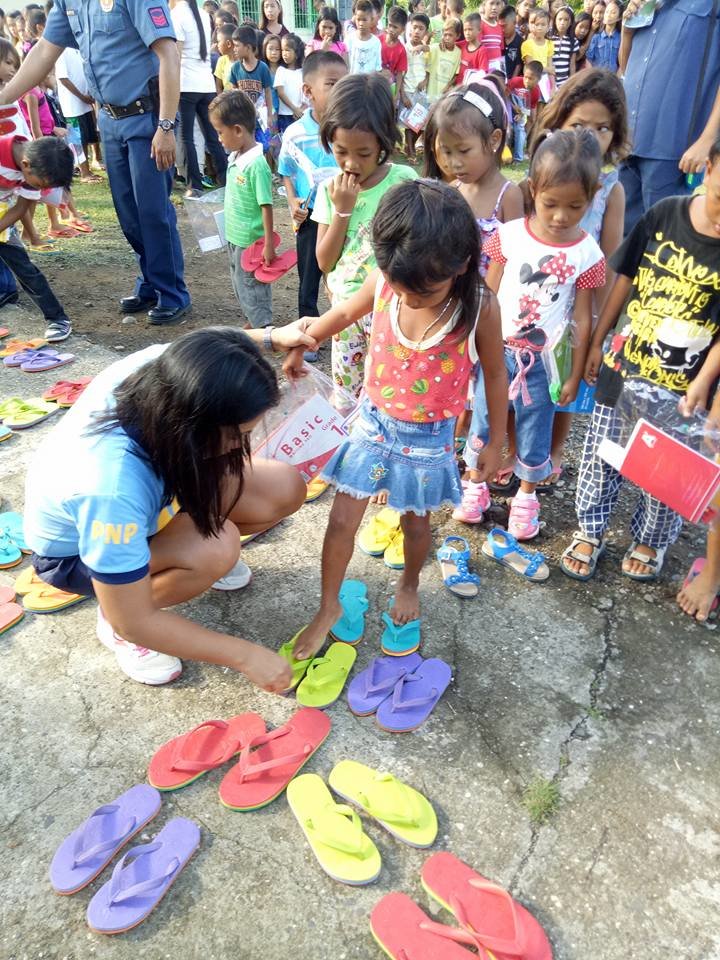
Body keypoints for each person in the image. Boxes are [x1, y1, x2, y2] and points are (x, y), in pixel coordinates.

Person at [280, 179, 507, 660]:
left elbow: (495, 375)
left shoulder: (480, 307)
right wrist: (308, 338)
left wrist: (493, 441)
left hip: (429, 439)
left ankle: (409, 584)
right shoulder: (386, 281)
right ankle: (327, 608)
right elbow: (343, 311)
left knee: (416, 525)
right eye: (400, 289)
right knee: (341, 519)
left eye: (422, 292)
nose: (408, 299)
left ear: (461, 264)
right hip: (374, 422)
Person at [23, 326, 319, 689]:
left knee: (283, 487)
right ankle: (114, 613)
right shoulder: (111, 487)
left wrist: (272, 338)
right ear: (192, 425)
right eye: (236, 436)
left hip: (145, 499)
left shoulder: (167, 373)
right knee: (215, 548)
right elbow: (134, 617)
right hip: (77, 555)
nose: (238, 446)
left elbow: (209, 338)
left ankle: (174, 558)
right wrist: (245, 655)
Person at [561, 137, 720, 583]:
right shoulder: (664, 214)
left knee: (665, 470)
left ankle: (650, 539)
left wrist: (704, 380)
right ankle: (590, 530)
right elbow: (624, 278)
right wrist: (597, 341)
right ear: (707, 170)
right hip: (625, 362)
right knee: (601, 452)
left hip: (682, 383)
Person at [0, 0, 192, 326]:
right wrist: (3, 98)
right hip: (110, 120)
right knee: (128, 214)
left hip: (147, 117)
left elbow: (169, 55)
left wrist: (166, 126)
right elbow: (46, 49)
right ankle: (150, 281)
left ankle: (172, 292)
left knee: (152, 212)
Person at [458, 131, 606, 538]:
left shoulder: (586, 253)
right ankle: (475, 484)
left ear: (592, 197)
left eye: (575, 206)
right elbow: (485, 292)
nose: (560, 216)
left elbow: (582, 314)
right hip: (496, 350)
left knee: (534, 424)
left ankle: (525, 496)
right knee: (485, 418)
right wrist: (470, 341)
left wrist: (574, 373)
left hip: (543, 360)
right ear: (534, 190)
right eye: (551, 204)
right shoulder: (508, 236)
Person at [522, 67, 627, 490]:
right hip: (537, 299)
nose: (592, 137)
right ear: (557, 125)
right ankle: (520, 448)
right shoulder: (544, 178)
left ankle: (555, 451)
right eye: (579, 125)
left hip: (579, 301)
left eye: (603, 128)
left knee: (565, 382)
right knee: (525, 379)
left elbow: (611, 252)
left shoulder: (612, 187)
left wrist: (599, 326)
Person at [312, 72, 416, 399]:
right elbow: (325, 261)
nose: (351, 163)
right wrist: (343, 209)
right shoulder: (330, 189)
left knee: (389, 390)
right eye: (341, 151)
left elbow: (417, 247)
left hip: (391, 307)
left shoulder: (403, 181)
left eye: (364, 153)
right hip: (345, 312)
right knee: (345, 395)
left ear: (383, 143)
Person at [619, 0, 720, 234]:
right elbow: (627, 69)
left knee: (663, 242)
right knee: (625, 241)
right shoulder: (647, 3)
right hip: (630, 141)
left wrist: (707, 139)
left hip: (673, 148)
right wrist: (626, 32)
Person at [426, 81, 523, 276]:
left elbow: (516, 260)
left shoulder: (508, 196)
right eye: (447, 151)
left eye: (463, 150)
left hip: (492, 300)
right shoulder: (454, 190)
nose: (454, 163)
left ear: (494, 139)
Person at [278, 50, 347, 320]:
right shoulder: (295, 134)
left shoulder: (350, 129)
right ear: (308, 90)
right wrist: (292, 201)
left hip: (343, 213)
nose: (340, 90)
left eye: (345, 83)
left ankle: (344, 323)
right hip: (310, 219)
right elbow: (286, 171)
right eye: (331, 84)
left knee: (342, 271)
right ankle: (308, 330)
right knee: (308, 277)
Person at [210, 90, 275, 329]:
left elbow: (266, 206)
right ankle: (253, 319)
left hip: (251, 241)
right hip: (235, 237)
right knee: (239, 281)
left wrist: (268, 243)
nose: (218, 139)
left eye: (220, 132)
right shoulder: (236, 157)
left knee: (252, 283)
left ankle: (263, 325)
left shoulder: (256, 165)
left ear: (237, 130)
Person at [0, 133, 73, 339]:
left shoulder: (34, 167)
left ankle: (57, 318)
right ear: (25, 165)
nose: (42, 190)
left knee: (25, 270)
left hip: (3, 219)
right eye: (41, 185)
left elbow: (21, 207)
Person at [170, 0, 227, 198]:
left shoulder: (177, 15)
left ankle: (194, 186)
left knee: (187, 136)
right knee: (212, 136)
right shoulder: (203, 14)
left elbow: (175, 56)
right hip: (206, 83)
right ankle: (226, 181)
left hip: (186, 83)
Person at [54, 45, 102, 181]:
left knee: (86, 138)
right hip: (72, 105)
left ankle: (88, 169)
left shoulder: (78, 48)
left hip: (85, 102)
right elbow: (63, 78)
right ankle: (84, 173)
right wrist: (82, 96)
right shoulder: (61, 50)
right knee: (76, 140)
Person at [230, 25, 275, 141]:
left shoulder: (263, 68)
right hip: (242, 117)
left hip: (259, 117)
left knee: (263, 146)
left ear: (248, 47)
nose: (234, 49)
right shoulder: (235, 68)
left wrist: (269, 115)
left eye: (237, 46)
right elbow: (233, 92)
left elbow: (268, 92)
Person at [400, 12, 428, 162]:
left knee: (420, 124)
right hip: (408, 91)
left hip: (422, 93)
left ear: (426, 32)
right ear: (409, 28)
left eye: (421, 28)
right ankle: (411, 152)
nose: (417, 31)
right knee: (409, 124)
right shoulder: (404, 49)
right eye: (414, 27)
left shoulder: (427, 50)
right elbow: (400, 74)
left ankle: (408, 146)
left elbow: (430, 68)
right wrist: (403, 95)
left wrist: (426, 80)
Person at [507, 60, 541, 163]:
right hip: (509, 106)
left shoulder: (536, 92)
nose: (526, 81)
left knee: (521, 128)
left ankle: (518, 155)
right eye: (525, 77)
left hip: (521, 111)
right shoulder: (515, 81)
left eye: (531, 79)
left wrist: (521, 114)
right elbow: (504, 95)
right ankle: (506, 149)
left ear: (538, 80)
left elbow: (529, 112)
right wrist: (513, 107)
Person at [274, 32, 304, 134]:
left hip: (300, 114)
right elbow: (281, 93)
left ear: (297, 53)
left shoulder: (303, 72)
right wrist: (294, 109)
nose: (284, 53)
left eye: (287, 50)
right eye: (282, 50)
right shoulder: (281, 70)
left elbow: (306, 94)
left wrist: (300, 110)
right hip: (285, 115)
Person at [426, 17, 461, 100]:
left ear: (458, 36)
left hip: (445, 94)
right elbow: (427, 50)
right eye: (445, 35)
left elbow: (456, 74)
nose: (447, 38)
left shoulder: (459, 53)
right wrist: (420, 47)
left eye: (450, 35)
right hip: (431, 93)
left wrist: (448, 86)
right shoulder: (438, 47)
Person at [380, 5, 407, 103]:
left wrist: (396, 95)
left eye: (395, 27)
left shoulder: (401, 50)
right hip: (375, 84)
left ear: (402, 30)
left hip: (389, 88)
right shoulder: (377, 41)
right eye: (390, 25)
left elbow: (399, 74)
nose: (391, 29)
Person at [347, 0, 381, 74]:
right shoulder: (349, 39)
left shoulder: (376, 42)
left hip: (370, 84)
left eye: (364, 20)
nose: (361, 23)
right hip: (352, 83)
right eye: (358, 19)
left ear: (371, 19)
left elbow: (378, 68)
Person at [586, 0, 620, 72]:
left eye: (613, 12)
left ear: (619, 17)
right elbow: (589, 59)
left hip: (614, 78)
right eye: (607, 12)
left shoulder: (620, 38)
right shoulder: (596, 37)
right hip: (598, 78)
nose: (608, 15)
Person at [550, 5, 578, 86]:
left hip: (564, 81)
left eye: (566, 20)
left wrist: (572, 83)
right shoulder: (548, 37)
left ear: (571, 22)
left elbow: (572, 64)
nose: (562, 22)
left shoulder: (573, 41)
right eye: (560, 19)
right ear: (555, 20)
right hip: (549, 79)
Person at [479, 0, 504, 74]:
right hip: (483, 70)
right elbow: (475, 50)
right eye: (491, 3)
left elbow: (500, 49)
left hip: (496, 70)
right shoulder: (479, 24)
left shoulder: (499, 27)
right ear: (484, 5)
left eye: (497, 4)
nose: (494, 7)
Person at [214, 22, 236, 92]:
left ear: (228, 44)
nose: (217, 45)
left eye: (219, 41)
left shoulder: (243, 61)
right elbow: (218, 87)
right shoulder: (221, 61)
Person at [501, 5, 522, 79]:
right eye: (500, 26)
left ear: (514, 23)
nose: (502, 29)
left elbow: (518, 65)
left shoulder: (520, 41)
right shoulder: (499, 40)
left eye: (504, 26)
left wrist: (511, 82)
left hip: (513, 82)